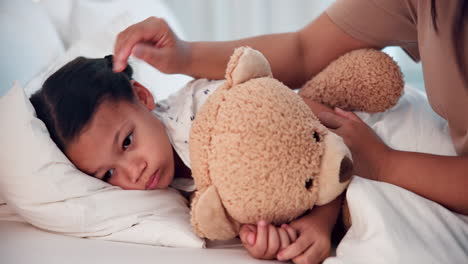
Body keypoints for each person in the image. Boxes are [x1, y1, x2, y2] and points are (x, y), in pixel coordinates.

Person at [110, 0, 467, 263]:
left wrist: (383, 166)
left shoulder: (206, 111)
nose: (132, 170)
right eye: (106, 173)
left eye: (126, 142)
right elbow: (304, 50)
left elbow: (312, 134)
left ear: (143, 98)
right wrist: (184, 56)